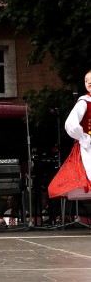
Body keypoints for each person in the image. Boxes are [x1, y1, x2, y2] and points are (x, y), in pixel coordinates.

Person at [48, 70, 91, 200]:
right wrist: (84, 137)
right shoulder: (85, 102)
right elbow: (70, 123)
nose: (88, 82)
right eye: (86, 80)